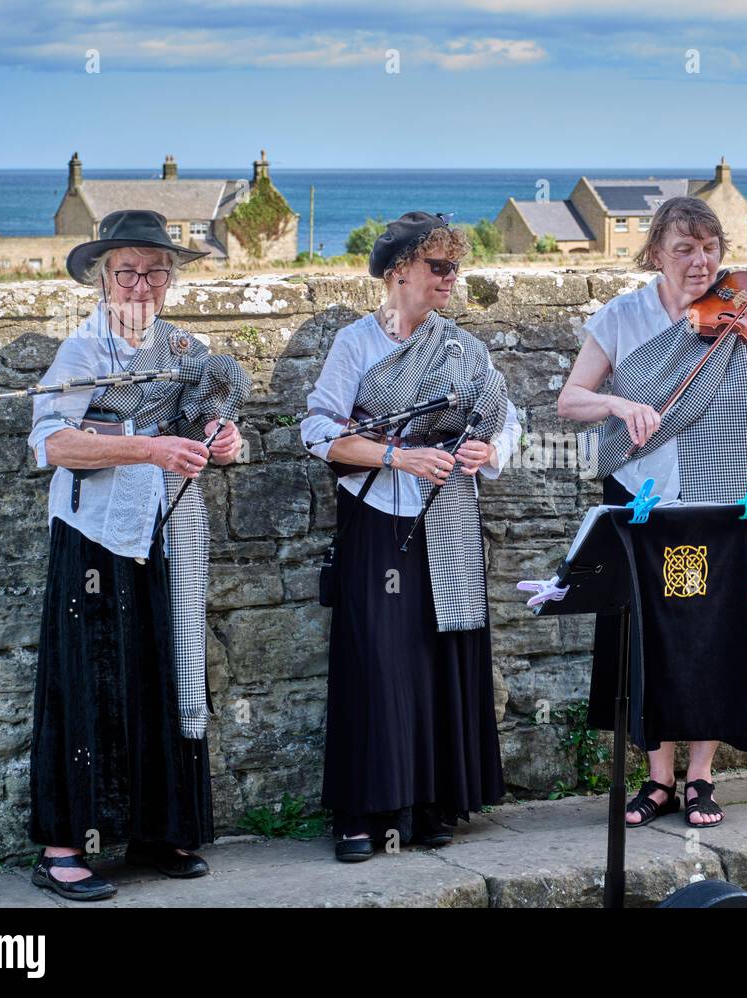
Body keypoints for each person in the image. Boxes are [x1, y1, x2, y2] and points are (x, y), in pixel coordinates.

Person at [557, 196, 747, 828]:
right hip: (649, 499)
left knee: (709, 633)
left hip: (722, 498)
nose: (701, 262)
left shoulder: (746, 315)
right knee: (654, 634)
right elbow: (571, 400)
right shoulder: (622, 318)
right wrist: (621, 407)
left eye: (710, 248)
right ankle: (656, 780)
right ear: (655, 254)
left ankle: (700, 778)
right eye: (684, 249)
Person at [26, 209, 250, 900]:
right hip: (97, 538)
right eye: (128, 270)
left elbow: (204, 417)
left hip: (167, 531)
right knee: (89, 682)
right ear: (103, 277)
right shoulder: (83, 352)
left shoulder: (185, 348)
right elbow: (53, 446)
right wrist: (148, 448)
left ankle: (159, 831)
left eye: (156, 270)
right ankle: (63, 849)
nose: (143, 284)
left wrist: (222, 435)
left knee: (165, 670)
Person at [301, 211, 522, 862]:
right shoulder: (355, 345)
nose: (451, 279)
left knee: (434, 661)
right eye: (439, 267)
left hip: (447, 517)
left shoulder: (462, 347)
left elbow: (511, 420)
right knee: (377, 665)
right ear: (399, 271)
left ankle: (430, 804)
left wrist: (489, 449)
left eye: (456, 267)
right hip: (378, 517)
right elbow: (318, 433)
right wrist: (398, 457)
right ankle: (362, 814)